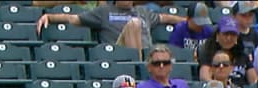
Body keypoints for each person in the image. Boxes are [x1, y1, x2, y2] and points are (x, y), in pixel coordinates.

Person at [35, 0, 179, 50]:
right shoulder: (104, 12)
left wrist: (194, 22)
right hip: (120, 55)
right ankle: (138, 66)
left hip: (147, 54)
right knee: (134, 24)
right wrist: (49, 16)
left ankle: (142, 66)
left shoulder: (143, 11)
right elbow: (73, 18)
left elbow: (166, 18)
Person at [198, 17, 258, 88]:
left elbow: (254, 81)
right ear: (217, 35)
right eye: (225, 34)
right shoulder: (208, 53)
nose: (229, 38)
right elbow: (205, 77)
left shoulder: (243, 56)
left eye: (233, 34)